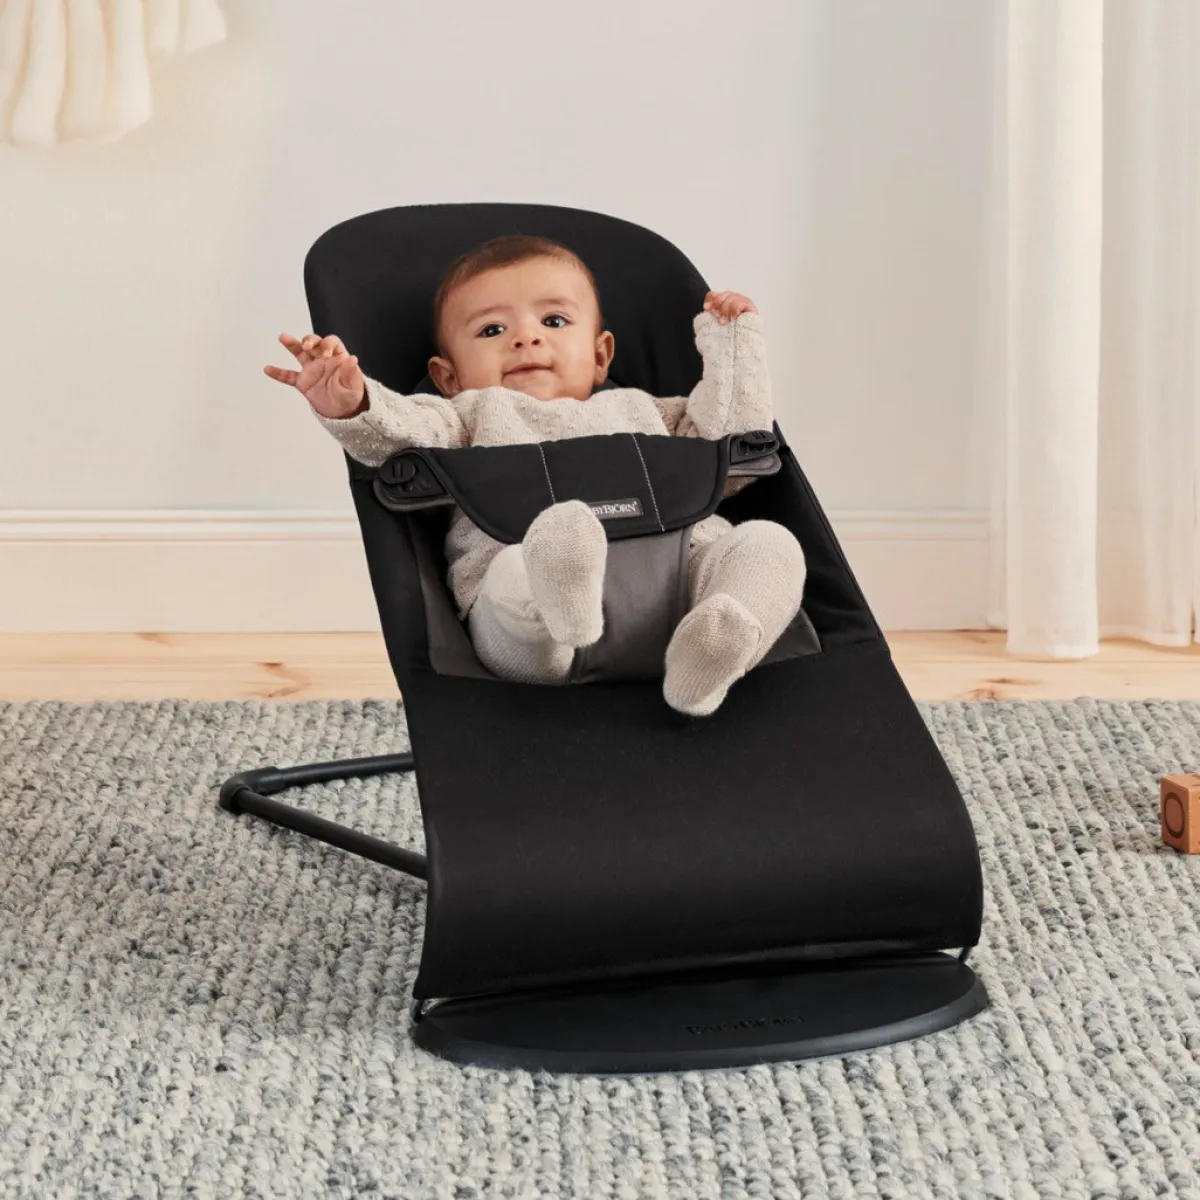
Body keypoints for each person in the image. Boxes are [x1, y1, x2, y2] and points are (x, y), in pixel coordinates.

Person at [265, 235, 807, 716]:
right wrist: (353, 401)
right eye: (492, 329)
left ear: (601, 355)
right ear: (448, 378)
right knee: (517, 574)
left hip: (677, 584)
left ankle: (716, 641)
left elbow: (733, 447)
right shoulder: (464, 417)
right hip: (535, 621)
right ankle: (558, 599)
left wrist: (735, 343)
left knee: (769, 546)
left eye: (553, 321)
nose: (526, 338)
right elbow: (397, 436)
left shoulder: (650, 412)